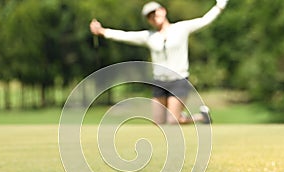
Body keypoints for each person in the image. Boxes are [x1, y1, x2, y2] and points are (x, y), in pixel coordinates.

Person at [90, 0, 228, 124]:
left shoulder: (181, 28)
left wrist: (219, 6)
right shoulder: (149, 36)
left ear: (163, 11)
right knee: (158, 122)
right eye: (149, 16)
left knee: (172, 121)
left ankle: (198, 117)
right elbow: (126, 35)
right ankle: (201, 117)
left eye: (155, 13)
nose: (153, 17)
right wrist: (102, 31)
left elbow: (204, 20)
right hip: (160, 82)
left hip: (178, 80)